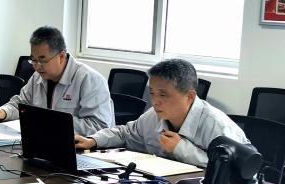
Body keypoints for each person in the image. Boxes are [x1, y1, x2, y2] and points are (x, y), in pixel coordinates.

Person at [74, 59, 248, 166]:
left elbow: (237, 170)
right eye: (152, 93)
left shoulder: (217, 126)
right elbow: (125, 133)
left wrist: (182, 148)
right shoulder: (154, 115)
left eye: (163, 95)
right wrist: (94, 140)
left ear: (190, 96)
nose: (155, 101)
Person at [0, 26, 113, 132]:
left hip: (82, 149)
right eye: (33, 60)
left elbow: (99, 126)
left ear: (61, 56)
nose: (37, 66)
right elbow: (21, 103)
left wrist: (51, 122)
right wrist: (4, 111)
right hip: (46, 142)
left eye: (42, 60)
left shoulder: (89, 80)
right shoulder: (38, 76)